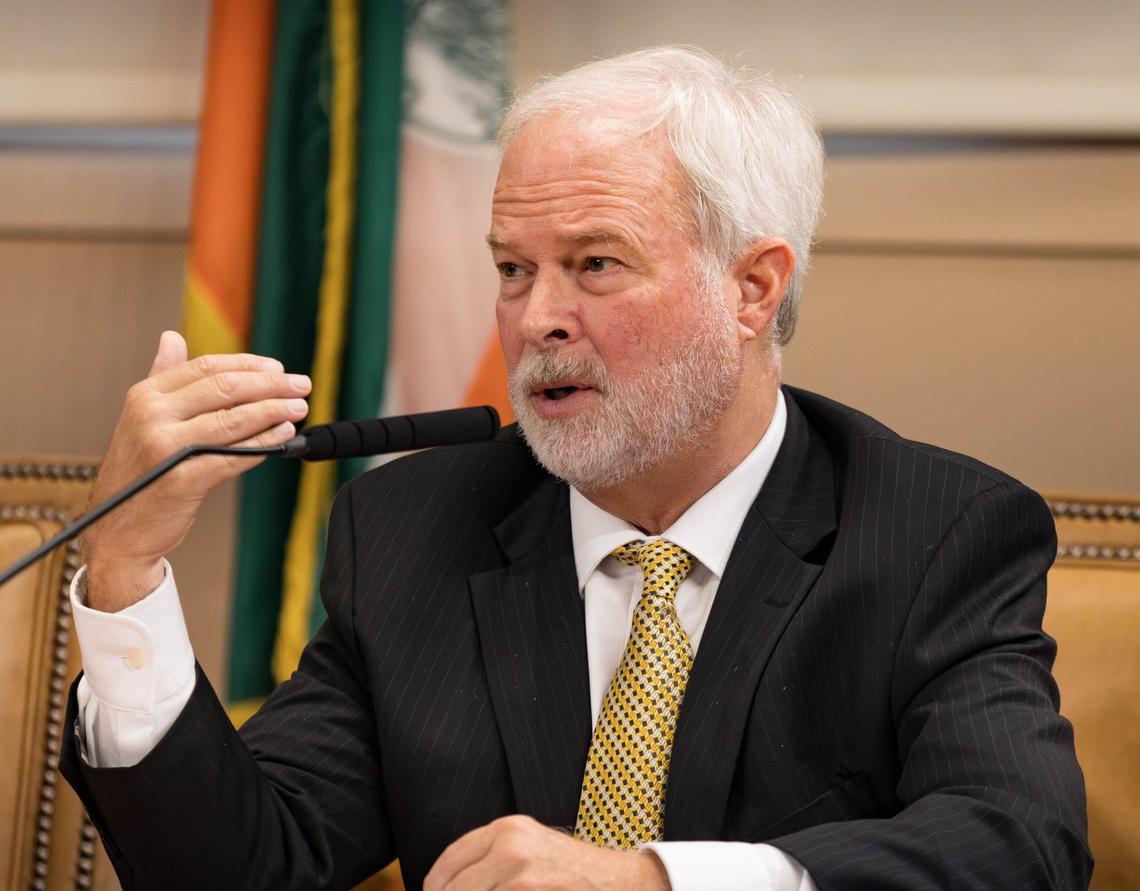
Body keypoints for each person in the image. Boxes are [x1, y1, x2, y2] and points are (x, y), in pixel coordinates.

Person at [61, 47, 1090, 890]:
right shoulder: (413, 527)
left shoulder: (933, 531)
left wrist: (654, 882)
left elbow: (1019, 844)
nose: (536, 318)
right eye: (514, 269)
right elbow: (244, 868)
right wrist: (125, 574)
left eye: (596, 263)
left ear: (752, 288)